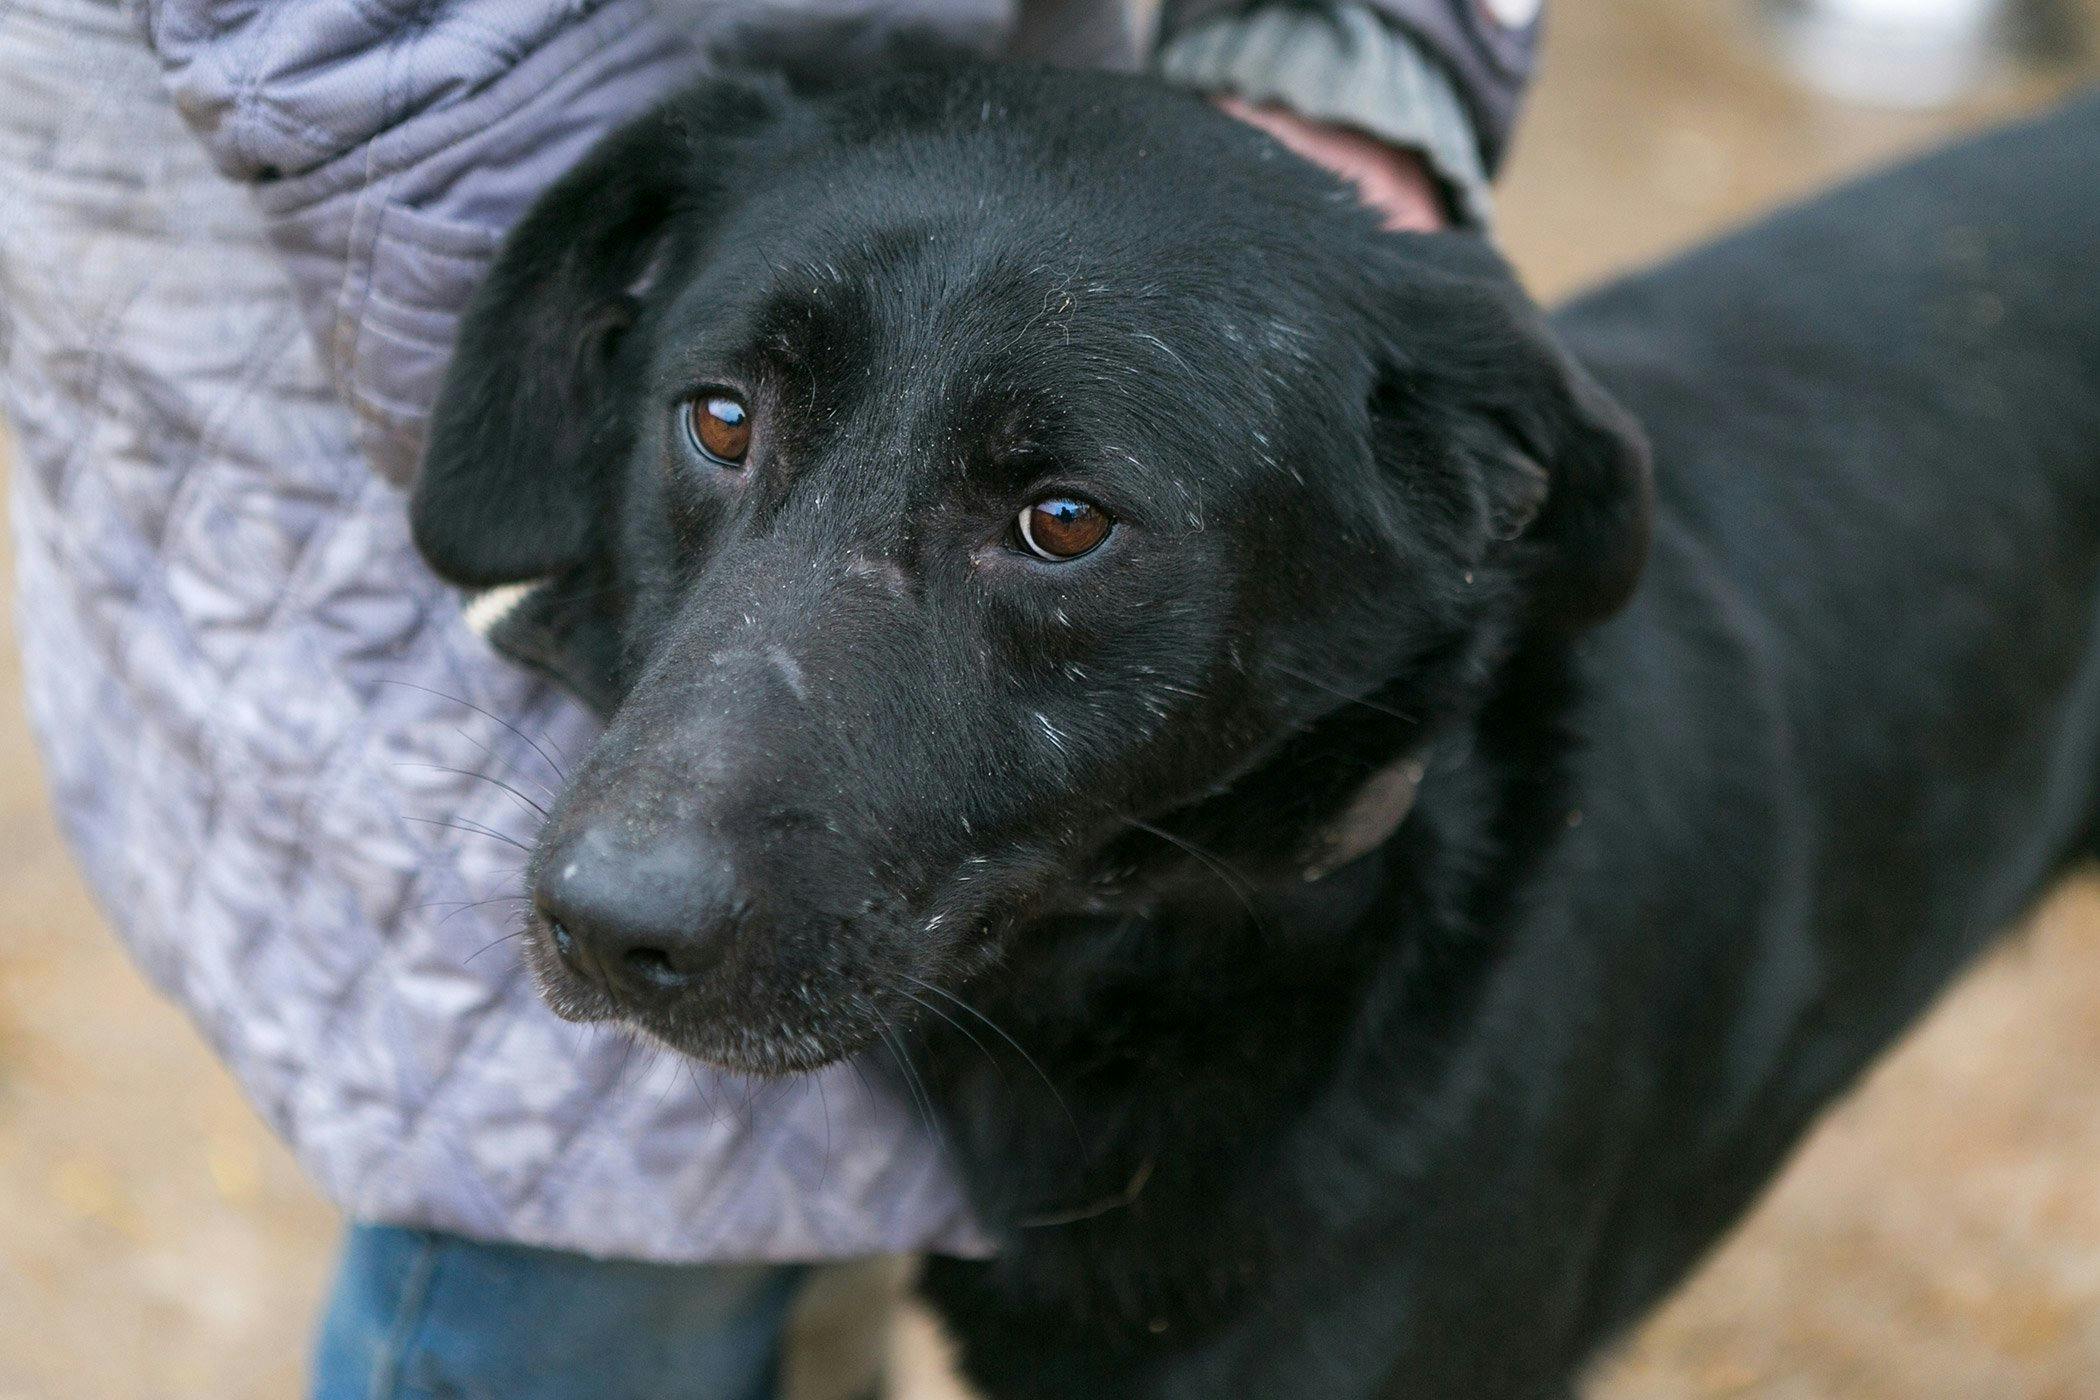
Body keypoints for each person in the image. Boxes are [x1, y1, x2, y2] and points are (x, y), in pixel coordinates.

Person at [0, 0, 1536, 1394]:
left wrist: (1348, 77)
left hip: (1004, 180)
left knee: (818, 1182)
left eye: (1054, 528)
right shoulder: (608, 326)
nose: (627, 865)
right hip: (368, 236)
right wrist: (612, 366)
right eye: (728, 424)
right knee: (580, 1223)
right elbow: (364, 52)